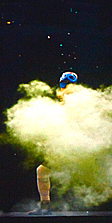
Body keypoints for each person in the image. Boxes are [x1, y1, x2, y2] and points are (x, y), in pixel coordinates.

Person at [31, 71, 79, 214]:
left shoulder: (75, 101)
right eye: (63, 85)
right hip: (65, 144)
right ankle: (45, 206)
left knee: (43, 171)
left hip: (72, 145)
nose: (63, 89)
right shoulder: (66, 100)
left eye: (66, 85)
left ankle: (45, 206)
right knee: (42, 171)